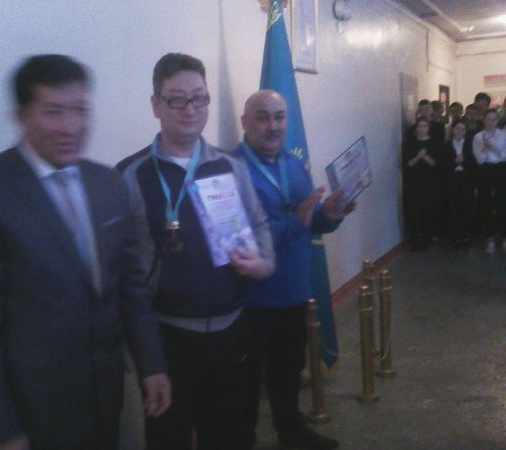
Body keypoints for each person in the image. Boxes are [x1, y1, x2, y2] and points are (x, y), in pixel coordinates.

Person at [0, 54, 170, 450]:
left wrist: (151, 363)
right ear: (21, 117)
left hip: (104, 397)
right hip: (30, 413)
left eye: (80, 110)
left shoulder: (107, 183)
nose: (71, 127)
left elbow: (130, 284)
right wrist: (0, 429)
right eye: (54, 112)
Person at [117, 53, 275, 450]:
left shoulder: (231, 167)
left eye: (199, 98)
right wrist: (148, 361)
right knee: (168, 442)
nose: (190, 109)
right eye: (177, 99)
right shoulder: (130, 176)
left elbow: (258, 225)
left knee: (233, 440)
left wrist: (263, 264)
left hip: (232, 334)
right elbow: (126, 279)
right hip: (168, 342)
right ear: (156, 104)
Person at [234, 89, 351, 450]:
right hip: (251, 300)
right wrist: (296, 223)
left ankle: (291, 432)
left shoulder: (294, 163)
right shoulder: (231, 169)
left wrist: (328, 216)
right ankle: (242, 440)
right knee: (245, 382)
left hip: (294, 292)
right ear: (245, 123)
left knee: (288, 370)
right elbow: (241, 240)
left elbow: (309, 220)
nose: (273, 126)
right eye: (262, 117)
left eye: (279, 117)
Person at [402, 117, 440, 250]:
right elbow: (407, 164)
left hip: (430, 182)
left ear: (428, 128)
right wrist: (418, 157)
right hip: (414, 182)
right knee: (414, 211)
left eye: (425, 126)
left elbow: (436, 164)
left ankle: (426, 239)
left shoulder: (434, 143)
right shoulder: (409, 143)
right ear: (416, 129)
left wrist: (424, 157)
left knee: (427, 211)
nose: (422, 129)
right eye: (420, 126)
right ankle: (415, 240)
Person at [472, 109, 506, 253]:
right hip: (484, 170)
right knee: (485, 203)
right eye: (488, 119)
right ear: (483, 120)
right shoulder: (478, 137)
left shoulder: (503, 135)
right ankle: (489, 238)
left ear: (497, 121)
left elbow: (504, 156)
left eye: (493, 119)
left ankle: (504, 238)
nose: (491, 122)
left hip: (500, 170)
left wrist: (491, 147)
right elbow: (479, 159)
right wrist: (485, 148)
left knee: (502, 202)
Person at [439, 120, 476, 250]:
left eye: (462, 129)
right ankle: (454, 237)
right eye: (457, 128)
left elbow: (474, 163)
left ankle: (466, 236)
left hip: (466, 179)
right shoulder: (446, 145)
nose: (460, 131)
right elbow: (442, 164)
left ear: (465, 131)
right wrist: (455, 161)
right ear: (453, 130)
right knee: (452, 208)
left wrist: (463, 162)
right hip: (451, 179)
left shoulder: (470, 145)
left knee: (466, 208)